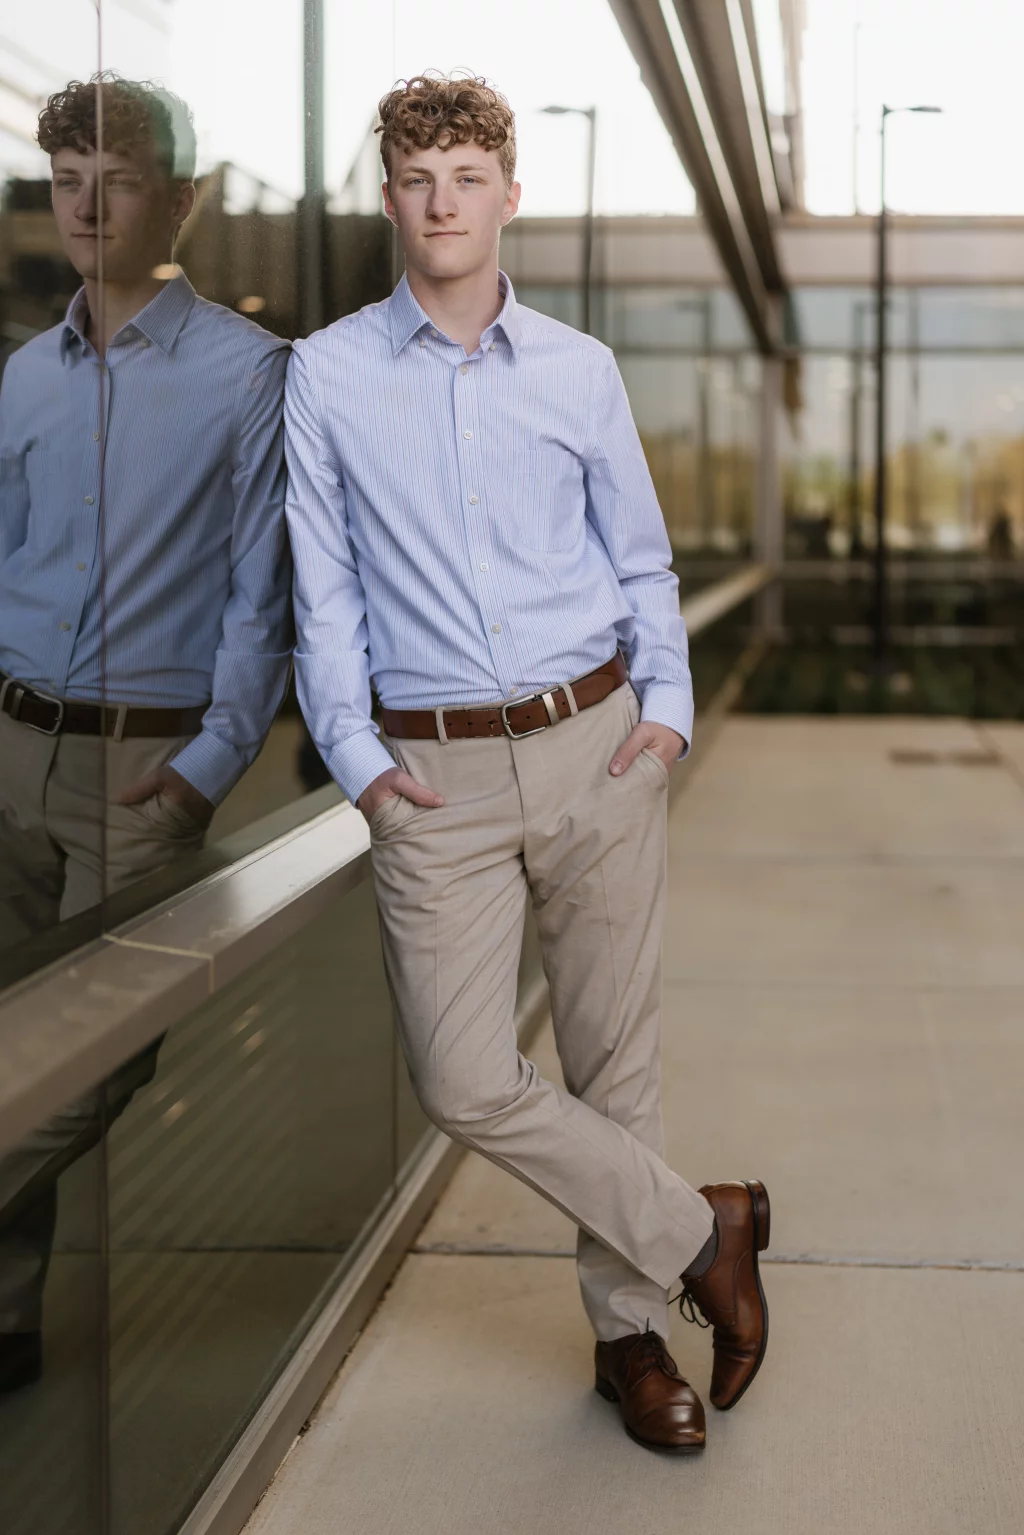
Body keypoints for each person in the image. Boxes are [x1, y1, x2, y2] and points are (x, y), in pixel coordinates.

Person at [285, 72, 769, 1452]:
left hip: (596, 744)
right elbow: (325, 601)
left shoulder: (579, 370)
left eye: (467, 178)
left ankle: (631, 1341)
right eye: (417, 179)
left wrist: (661, 717)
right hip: (431, 781)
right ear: (390, 196)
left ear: (509, 195)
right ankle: (706, 1229)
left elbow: (640, 557)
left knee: (618, 1060)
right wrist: (363, 762)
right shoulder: (324, 374)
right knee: (462, 1075)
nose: (442, 204)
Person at [0, 74, 292, 1392]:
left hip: (146, 760)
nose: (84, 204)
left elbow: (263, 593)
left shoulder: (249, 377)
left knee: (114, 1044)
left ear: (175, 198)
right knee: (15, 1033)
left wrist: (207, 767)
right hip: (10, 745)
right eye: (66, 178)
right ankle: (5, 1321)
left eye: (112, 179)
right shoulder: (24, 377)